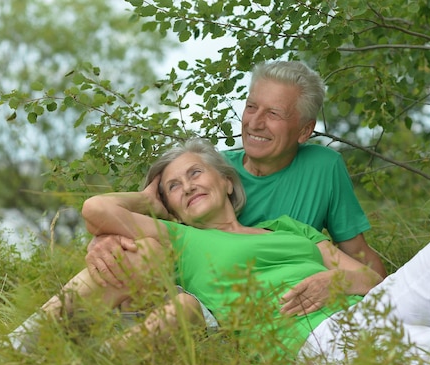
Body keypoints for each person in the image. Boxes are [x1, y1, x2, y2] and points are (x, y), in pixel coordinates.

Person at [8, 139, 430, 365]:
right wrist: (149, 202)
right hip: (315, 343)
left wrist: (333, 282)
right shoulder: (180, 239)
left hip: (364, 314)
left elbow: (368, 280)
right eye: (175, 185)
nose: (188, 184)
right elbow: (96, 210)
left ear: (228, 182)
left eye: (196, 172)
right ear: (168, 206)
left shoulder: (290, 229)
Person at [86, 61, 386, 317]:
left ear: (305, 130)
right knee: (138, 252)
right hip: (210, 302)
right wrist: (105, 240)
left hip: (288, 306)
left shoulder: (324, 167)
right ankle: (53, 336)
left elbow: (357, 253)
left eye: (273, 114)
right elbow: (144, 228)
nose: (255, 123)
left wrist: (391, 294)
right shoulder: (211, 176)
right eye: (251, 107)